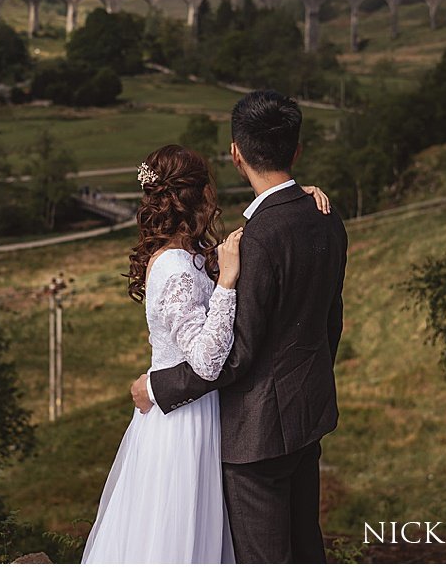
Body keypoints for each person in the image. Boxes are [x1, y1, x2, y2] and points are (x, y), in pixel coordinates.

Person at [80, 136, 334, 563]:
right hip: (181, 425)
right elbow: (206, 359)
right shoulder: (175, 268)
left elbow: (244, 249)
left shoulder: (195, 253)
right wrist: (227, 285)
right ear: (200, 194)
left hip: (206, 413)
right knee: (178, 537)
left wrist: (295, 200)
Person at [134, 89, 348, 563]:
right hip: (308, 415)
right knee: (306, 550)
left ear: (236, 153)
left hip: (256, 436)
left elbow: (235, 355)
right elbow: (329, 320)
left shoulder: (255, 241)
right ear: (297, 149)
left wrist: (159, 386)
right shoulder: (326, 217)